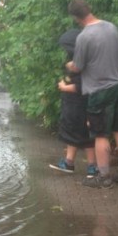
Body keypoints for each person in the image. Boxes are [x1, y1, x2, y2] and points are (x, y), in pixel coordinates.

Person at [65, 0, 118, 189]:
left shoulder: (84, 37)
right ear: (89, 9)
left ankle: (103, 177)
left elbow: (78, 67)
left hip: (100, 89)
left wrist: (69, 65)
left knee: (100, 134)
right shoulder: (111, 27)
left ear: (75, 17)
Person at [49, 27, 97, 177]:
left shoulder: (86, 64)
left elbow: (82, 86)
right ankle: (71, 162)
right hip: (74, 106)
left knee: (81, 135)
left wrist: (64, 87)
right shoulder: (79, 60)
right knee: (77, 134)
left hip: (79, 105)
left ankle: (89, 165)